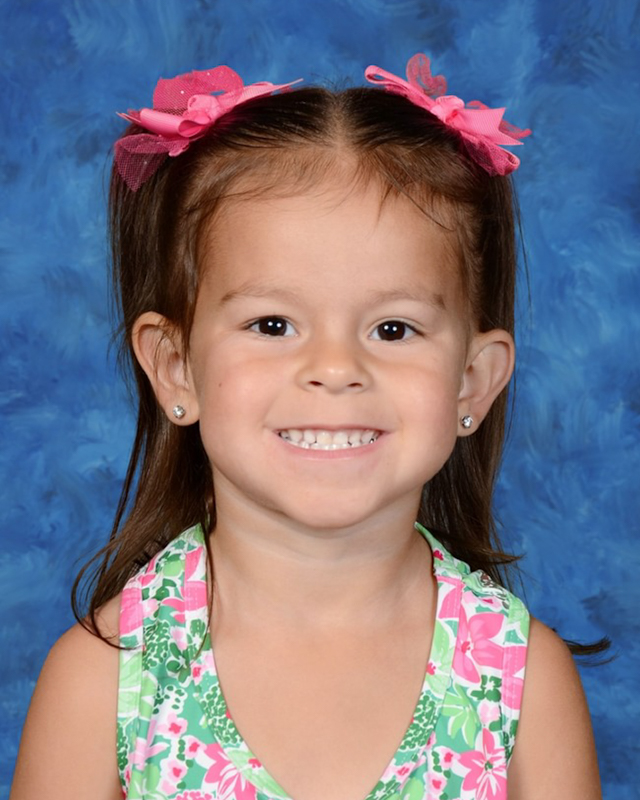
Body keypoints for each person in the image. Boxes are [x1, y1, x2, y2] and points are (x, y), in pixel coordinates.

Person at [10, 55, 602, 800]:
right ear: (175, 369)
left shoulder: (520, 679)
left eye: (392, 328)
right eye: (272, 323)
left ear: (472, 381)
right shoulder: (104, 677)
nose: (333, 367)